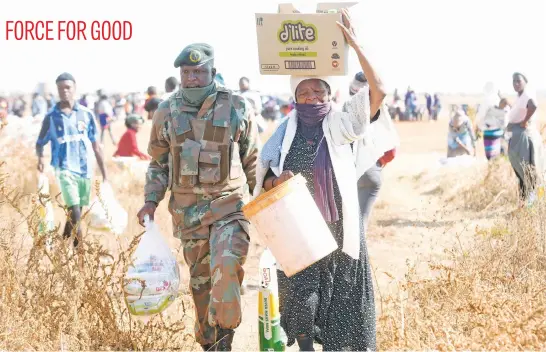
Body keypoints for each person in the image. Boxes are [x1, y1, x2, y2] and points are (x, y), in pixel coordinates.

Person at [254, 9, 387, 351]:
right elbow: (265, 176)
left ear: (330, 96)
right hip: (298, 232)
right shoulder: (284, 132)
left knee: (344, 303)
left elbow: (380, 90)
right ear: (294, 98)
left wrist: (355, 45)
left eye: (320, 93)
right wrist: (275, 182)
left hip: (341, 228)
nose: (313, 99)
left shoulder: (343, 124)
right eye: (306, 93)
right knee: (300, 303)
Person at [136, 43, 260, 351]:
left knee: (226, 273)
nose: (192, 78)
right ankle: (210, 344)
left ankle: (225, 343)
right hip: (188, 217)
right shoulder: (167, 110)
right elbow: (159, 163)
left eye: (199, 72)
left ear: (212, 73)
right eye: (187, 73)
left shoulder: (236, 106)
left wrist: (267, 203)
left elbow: (253, 159)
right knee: (202, 286)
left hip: (229, 209)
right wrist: (151, 199)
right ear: (180, 74)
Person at [36, 72, 107, 247]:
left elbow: (96, 145)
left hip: (84, 169)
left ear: (74, 88)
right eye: (60, 88)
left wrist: (105, 174)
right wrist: (40, 158)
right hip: (64, 170)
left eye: (67, 87)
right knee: (74, 210)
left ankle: (60, 249)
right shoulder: (52, 116)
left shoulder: (86, 114)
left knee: (75, 214)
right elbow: (40, 142)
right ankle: (80, 257)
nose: (64, 91)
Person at [343, 71, 398, 240]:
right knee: (360, 226)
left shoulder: (344, 112)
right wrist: (376, 165)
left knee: (347, 226)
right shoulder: (380, 115)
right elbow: (391, 152)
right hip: (371, 173)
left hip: (347, 175)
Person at [506, 72, 545, 204]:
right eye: (513, 81)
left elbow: (533, 105)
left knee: (527, 171)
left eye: (518, 81)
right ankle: (525, 204)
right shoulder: (520, 97)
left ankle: (531, 204)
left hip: (525, 138)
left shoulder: (527, 95)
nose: (516, 84)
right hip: (519, 136)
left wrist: (524, 122)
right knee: (522, 172)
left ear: (525, 82)